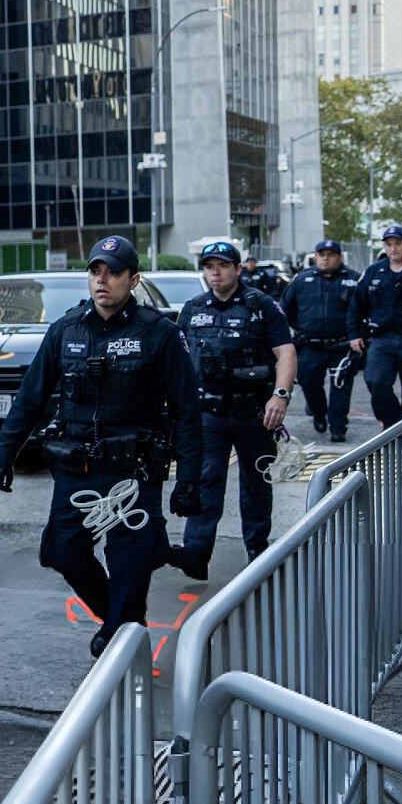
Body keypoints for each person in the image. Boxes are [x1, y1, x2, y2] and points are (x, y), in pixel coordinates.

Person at [0, 236, 203, 658]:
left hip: (134, 472)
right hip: (78, 468)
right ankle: (119, 620)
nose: (102, 281)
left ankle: (121, 638)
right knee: (61, 551)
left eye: (113, 273)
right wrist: (3, 452)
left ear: (133, 279)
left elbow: (187, 413)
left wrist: (189, 482)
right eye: (95, 271)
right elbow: (31, 399)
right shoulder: (65, 330)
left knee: (129, 561)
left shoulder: (158, 334)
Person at [170, 241, 297, 579]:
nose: (215, 272)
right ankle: (196, 553)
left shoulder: (261, 306)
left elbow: (285, 352)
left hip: (255, 413)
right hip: (208, 414)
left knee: (256, 484)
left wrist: (280, 396)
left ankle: (257, 548)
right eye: (209, 266)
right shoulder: (193, 308)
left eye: (223, 266)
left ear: (238, 269)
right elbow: (179, 363)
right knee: (205, 480)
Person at [348, 224, 402, 427]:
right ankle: (392, 423)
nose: (393, 249)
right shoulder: (373, 271)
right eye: (389, 244)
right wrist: (354, 334)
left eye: (397, 244)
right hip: (382, 338)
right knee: (375, 381)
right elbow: (356, 305)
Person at [282, 241, 361, 442]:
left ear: (340, 257)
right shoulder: (302, 280)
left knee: (340, 386)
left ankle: (338, 427)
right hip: (310, 344)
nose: (326, 258)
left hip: (342, 345)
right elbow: (285, 309)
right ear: (315, 256)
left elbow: (363, 310)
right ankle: (318, 413)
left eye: (331, 254)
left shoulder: (353, 280)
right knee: (309, 383)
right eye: (322, 254)